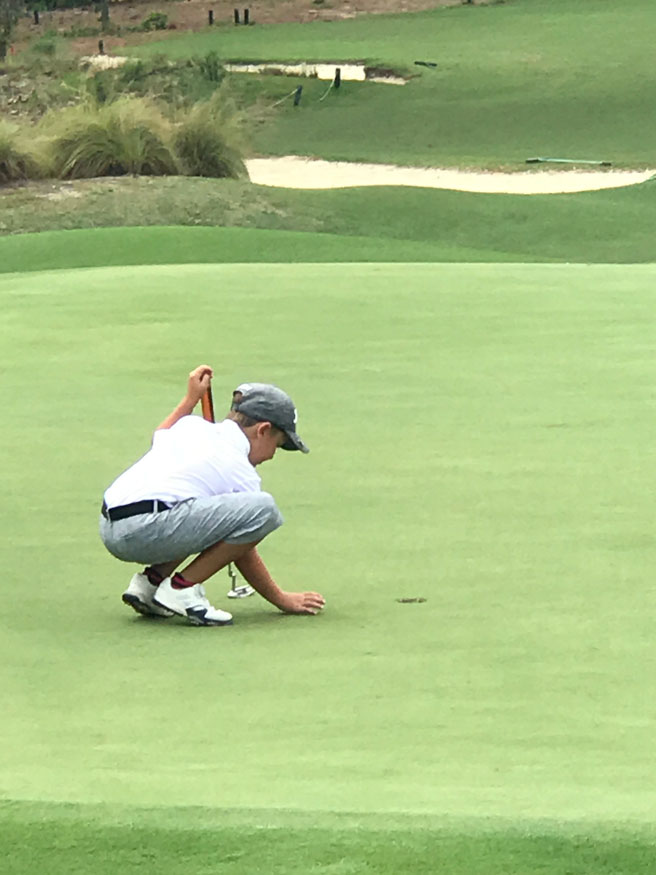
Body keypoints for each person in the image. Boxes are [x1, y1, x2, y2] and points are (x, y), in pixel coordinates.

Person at [99, 365, 326, 626]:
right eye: (277, 444)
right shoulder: (239, 469)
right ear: (262, 430)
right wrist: (280, 598)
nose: (273, 454)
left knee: (195, 504)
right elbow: (242, 545)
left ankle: (148, 585)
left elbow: (159, 436)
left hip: (109, 526)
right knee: (264, 509)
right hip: (144, 531)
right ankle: (182, 589)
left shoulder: (191, 426)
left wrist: (190, 400)